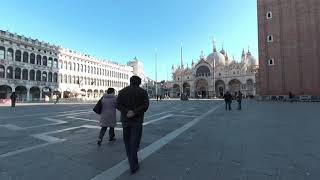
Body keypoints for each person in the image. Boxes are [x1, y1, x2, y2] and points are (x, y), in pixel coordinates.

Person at [116, 76, 149, 174]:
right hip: (137, 120)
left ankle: (130, 158)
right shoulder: (143, 92)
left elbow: (117, 104)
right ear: (139, 82)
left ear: (130, 82)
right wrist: (134, 112)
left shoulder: (122, 91)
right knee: (135, 141)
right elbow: (145, 105)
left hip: (125, 119)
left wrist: (127, 111)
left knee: (127, 140)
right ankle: (133, 165)